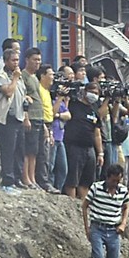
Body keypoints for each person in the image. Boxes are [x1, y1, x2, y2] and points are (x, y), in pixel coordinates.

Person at [84, 162, 129, 258]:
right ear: (107, 177)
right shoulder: (96, 188)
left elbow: (126, 206)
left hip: (113, 230)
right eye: (113, 180)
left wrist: (123, 223)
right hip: (97, 227)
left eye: (118, 180)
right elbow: (85, 205)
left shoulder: (123, 191)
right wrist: (87, 229)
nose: (116, 183)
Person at [61, 77, 103, 199]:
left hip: (90, 149)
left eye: (96, 93)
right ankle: (72, 204)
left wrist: (100, 153)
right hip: (74, 147)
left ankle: (84, 205)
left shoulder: (94, 110)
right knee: (72, 180)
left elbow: (97, 133)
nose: (93, 95)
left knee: (86, 182)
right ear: (85, 91)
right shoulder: (75, 105)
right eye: (92, 92)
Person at [0, 47, 27, 190]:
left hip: (19, 117)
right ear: (6, 61)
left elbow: (22, 93)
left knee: (20, 150)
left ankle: (17, 178)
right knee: (8, 150)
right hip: (7, 118)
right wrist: (15, 78)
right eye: (13, 60)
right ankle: (7, 180)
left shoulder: (18, 76)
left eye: (17, 60)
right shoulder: (2, 76)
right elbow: (8, 92)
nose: (16, 63)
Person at [22, 48, 50, 190]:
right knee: (29, 150)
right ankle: (26, 178)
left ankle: (33, 178)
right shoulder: (24, 76)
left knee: (36, 151)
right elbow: (23, 99)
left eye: (39, 60)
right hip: (31, 117)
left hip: (39, 117)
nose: (37, 63)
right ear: (27, 60)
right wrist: (26, 118)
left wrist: (45, 124)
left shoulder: (34, 77)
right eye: (35, 60)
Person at [47, 66, 69, 196]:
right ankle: (50, 190)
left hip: (60, 137)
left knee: (63, 168)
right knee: (50, 166)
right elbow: (51, 114)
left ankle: (58, 189)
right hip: (53, 135)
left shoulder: (59, 101)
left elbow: (68, 115)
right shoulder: (50, 98)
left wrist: (59, 114)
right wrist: (60, 99)